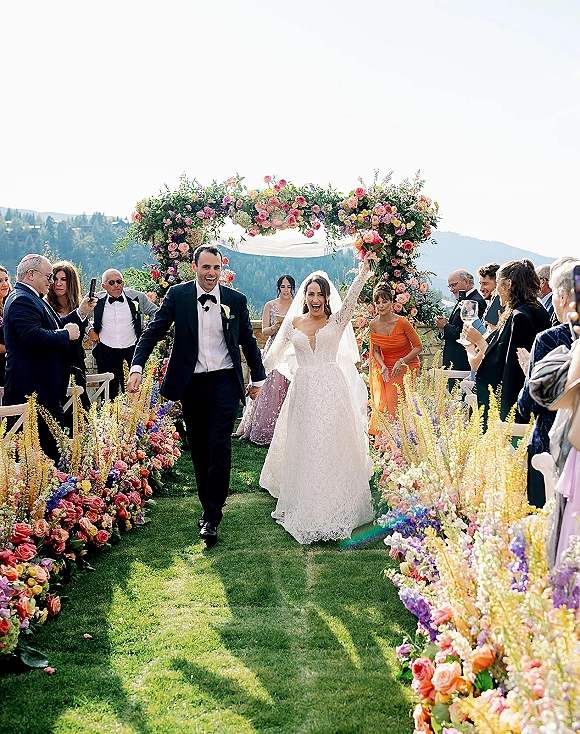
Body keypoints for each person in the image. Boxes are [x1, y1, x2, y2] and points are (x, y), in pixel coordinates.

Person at [127, 245, 266, 547]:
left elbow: (247, 340)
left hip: (224, 383)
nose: (211, 273)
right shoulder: (178, 296)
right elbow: (153, 331)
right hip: (192, 385)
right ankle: (208, 509)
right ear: (195, 267)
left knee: (220, 448)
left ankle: (212, 517)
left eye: (216, 268)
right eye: (206, 267)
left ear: (221, 269)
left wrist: (258, 377)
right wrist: (137, 366)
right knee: (201, 451)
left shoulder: (235, 300)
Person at [259, 252, 377, 544]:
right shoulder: (293, 323)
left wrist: (363, 273)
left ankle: (336, 504)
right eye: (310, 293)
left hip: (331, 389)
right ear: (305, 296)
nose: (314, 299)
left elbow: (351, 298)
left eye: (320, 294)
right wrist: (254, 377)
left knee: (330, 443)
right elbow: (271, 357)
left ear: (326, 298)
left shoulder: (337, 322)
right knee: (307, 443)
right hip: (304, 390)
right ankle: (308, 503)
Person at [3, 254, 95, 461]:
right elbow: (33, 336)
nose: (51, 281)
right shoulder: (22, 300)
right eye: (48, 276)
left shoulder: (31, 298)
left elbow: (53, 324)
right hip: (33, 388)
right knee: (40, 450)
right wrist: (66, 334)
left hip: (44, 387)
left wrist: (80, 313)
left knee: (50, 445)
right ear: (31, 274)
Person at [517, 260, 578, 507]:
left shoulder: (550, 339)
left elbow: (528, 405)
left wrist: (531, 373)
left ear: (562, 297)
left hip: (552, 445)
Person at [461, 259, 551, 423]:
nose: (496, 291)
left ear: (508, 284)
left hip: (513, 408)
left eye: (498, 284)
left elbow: (504, 363)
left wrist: (478, 340)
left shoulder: (519, 317)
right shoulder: (538, 310)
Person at [236, 274, 295, 444]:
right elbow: (263, 331)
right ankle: (263, 427)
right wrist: (276, 327)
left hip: (290, 348)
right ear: (279, 288)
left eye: (289, 287)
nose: (286, 290)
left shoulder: (296, 306)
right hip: (273, 348)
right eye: (283, 286)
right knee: (270, 384)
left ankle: (286, 429)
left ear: (292, 288)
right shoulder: (270, 305)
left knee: (287, 384)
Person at [89, 269, 159, 400]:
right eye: (111, 282)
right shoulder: (95, 300)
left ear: (123, 283)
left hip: (132, 351)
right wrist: (89, 330)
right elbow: (80, 316)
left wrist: (148, 331)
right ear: (104, 286)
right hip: (106, 352)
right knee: (108, 396)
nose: (116, 285)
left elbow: (156, 312)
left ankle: (135, 420)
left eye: (119, 281)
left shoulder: (137, 297)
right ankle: (107, 420)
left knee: (136, 394)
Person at [368, 284, 422, 429]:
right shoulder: (373, 325)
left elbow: (418, 347)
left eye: (384, 302)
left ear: (391, 302)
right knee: (384, 400)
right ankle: (386, 440)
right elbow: (376, 351)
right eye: (377, 302)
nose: (381, 306)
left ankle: (399, 437)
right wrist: (383, 366)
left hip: (407, 365)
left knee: (393, 398)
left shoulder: (402, 322)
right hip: (388, 367)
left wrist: (402, 361)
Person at [46, 260, 91, 410]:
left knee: (80, 412)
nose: (58, 283)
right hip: (54, 366)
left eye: (63, 279)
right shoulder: (45, 305)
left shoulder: (80, 305)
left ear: (71, 282)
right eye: (55, 279)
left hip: (76, 364)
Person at [434, 270, 486, 372]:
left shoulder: (475, 301)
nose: (452, 289)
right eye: (450, 286)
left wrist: (445, 326)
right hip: (454, 361)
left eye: (454, 285)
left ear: (466, 281)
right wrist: (443, 328)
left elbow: (468, 332)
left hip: (463, 361)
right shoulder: (463, 300)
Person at [0, 265, 13, 393]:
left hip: (9, 367)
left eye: (6, 279)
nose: (4, 284)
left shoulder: (10, 306)